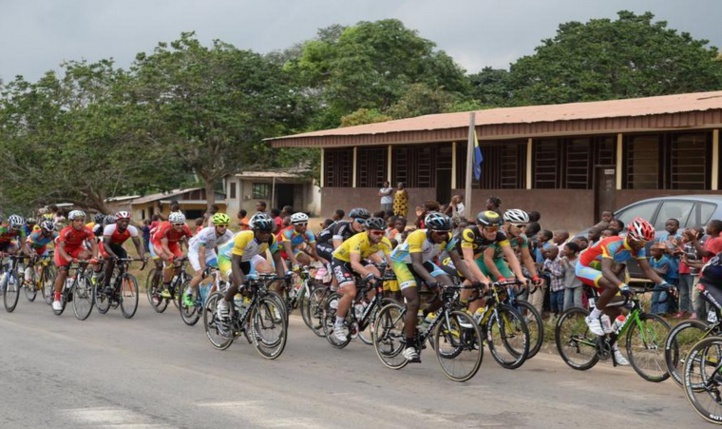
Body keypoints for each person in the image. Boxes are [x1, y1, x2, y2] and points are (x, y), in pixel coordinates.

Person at [576, 217, 673, 366]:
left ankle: (612, 346)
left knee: (615, 312)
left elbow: (647, 269)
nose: (642, 245)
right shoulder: (613, 243)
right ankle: (592, 317)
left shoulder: (638, 248)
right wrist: (622, 285)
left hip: (602, 275)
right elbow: (607, 270)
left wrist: (664, 283)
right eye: (640, 240)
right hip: (586, 267)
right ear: (630, 235)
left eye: (645, 242)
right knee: (613, 286)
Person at [391, 212, 478, 362]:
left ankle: (426, 316)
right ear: (430, 230)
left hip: (422, 262)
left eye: (446, 233)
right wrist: (431, 281)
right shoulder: (417, 236)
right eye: (440, 233)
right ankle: (409, 346)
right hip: (402, 263)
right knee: (413, 302)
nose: (443, 236)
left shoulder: (447, 238)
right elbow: (416, 265)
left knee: (450, 290)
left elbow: (458, 262)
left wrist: (473, 280)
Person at [215, 213, 286, 338]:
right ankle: (224, 303)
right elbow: (235, 264)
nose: (266, 235)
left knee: (254, 287)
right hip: (227, 258)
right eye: (262, 232)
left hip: (246, 259)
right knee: (239, 282)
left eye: (269, 231)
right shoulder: (244, 236)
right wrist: (241, 284)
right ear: (253, 230)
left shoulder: (271, 239)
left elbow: (278, 260)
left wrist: (282, 278)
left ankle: (248, 323)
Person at [330, 217, 393, 342]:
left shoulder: (385, 242)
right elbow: (354, 264)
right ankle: (338, 324)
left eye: (382, 233)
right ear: (368, 231)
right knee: (351, 291)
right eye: (376, 232)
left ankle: (363, 305)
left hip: (360, 260)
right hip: (342, 261)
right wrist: (368, 275)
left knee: (377, 278)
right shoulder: (358, 239)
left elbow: (393, 262)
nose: (380, 236)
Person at [182, 213, 234, 308]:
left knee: (218, 274)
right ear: (215, 226)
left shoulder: (229, 235)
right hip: (195, 251)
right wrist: (204, 268)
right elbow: (201, 253)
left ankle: (210, 296)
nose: (224, 228)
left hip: (209, 251)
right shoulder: (206, 233)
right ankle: (188, 294)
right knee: (202, 274)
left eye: (226, 225)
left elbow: (232, 250)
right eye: (221, 226)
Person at [52, 210, 98, 311]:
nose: (80, 223)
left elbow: (94, 244)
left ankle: (75, 277)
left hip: (76, 249)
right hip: (62, 250)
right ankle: (56, 299)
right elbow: (60, 248)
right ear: (71, 221)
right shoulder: (66, 230)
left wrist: (95, 257)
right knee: (63, 271)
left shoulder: (87, 230)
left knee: (87, 255)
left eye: (82, 220)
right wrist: (67, 258)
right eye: (77, 220)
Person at [98, 211, 146, 295]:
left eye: (126, 221)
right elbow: (105, 244)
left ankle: (117, 290)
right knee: (110, 260)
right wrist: (113, 255)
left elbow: (138, 245)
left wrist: (142, 256)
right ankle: (106, 285)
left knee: (124, 265)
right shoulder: (110, 228)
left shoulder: (132, 229)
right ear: (116, 221)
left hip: (117, 247)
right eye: (122, 221)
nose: (124, 223)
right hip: (107, 247)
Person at [149, 212, 194, 300]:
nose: (180, 226)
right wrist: (172, 256)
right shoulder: (165, 228)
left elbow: (191, 243)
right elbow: (164, 247)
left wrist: (193, 253)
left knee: (179, 263)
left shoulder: (185, 228)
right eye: (177, 224)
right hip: (158, 243)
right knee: (169, 260)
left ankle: (174, 285)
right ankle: (165, 288)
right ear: (172, 224)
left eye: (182, 224)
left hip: (172, 245)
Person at [649, 243, 673, 315]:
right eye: (651, 251)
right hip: (659, 281)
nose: (651, 253)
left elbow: (662, 273)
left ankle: (661, 313)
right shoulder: (652, 259)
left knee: (662, 297)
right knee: (655, 297)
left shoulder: (665, 260)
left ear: (661, 252)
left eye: (654, 251)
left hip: (667, 281)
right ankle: (653, 313)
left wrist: (649, 269)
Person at [542, 245, 564, 319]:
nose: (547, 254)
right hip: (552, 286)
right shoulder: (547, 261)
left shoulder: (560, 261)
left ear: (556, 253)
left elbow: (561, 273)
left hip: (561, 286)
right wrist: (542, 271)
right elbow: (544, 271)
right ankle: (552, 317)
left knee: (560, 302)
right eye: (547, 252)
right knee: (552, 302)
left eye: (549, 252)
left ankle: (560, 317)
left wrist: (550, 271)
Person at [560, 242, 583, 310]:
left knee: (577, 301)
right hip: (568, 283)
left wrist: (568, 263)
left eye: (565, 249)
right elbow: (563, 272)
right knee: (566, 302)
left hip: (578, 283)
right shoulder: (564, 259)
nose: (563, 251)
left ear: (572, 251)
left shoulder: (579, 259)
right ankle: (566, 316)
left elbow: (576, 270)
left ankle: (579, 316)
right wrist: (562, 266)